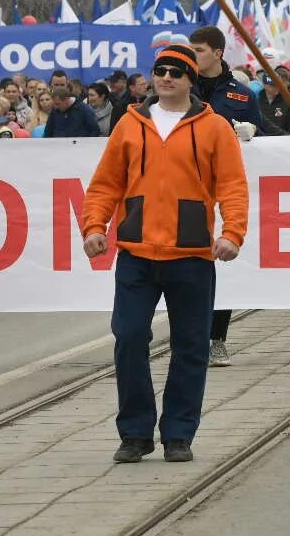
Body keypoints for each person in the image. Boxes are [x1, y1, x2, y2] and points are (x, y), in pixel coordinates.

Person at [82, 43, 248, 466]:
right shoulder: (130, 123)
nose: (167, 77)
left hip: (191, 253)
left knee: (191, 345)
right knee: (130, 336)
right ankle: (135, 433)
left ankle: (178, 433)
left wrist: (232, 233)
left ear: (191, 79)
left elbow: (232, 185)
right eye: (160, 70)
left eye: (176, 71)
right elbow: (105, 183)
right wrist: (93, 227)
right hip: (136, 252)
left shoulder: (215, 128)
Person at [188, 25, 265, 368]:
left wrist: (255, 131)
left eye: (200, 50)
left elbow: (265, 134)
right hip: (189, 184)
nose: (194, 56)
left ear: (218, 53)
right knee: (192, 264)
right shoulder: (180, 86)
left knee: (226, 259)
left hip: (228, 185)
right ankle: (190, 335)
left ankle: (217, 338)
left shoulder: (242, 94)